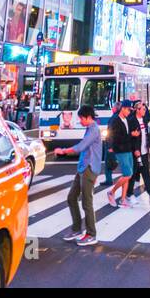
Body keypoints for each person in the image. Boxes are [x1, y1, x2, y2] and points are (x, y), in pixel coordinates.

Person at [55, 105, 102, 246]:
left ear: (88, 117)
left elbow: (81, 147)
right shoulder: (90, 129)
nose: (80, 121)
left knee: (87, 203)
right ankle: (77, 229)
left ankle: (91, 234)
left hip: (89, 169)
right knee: (71, 198)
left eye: (81, 118)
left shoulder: (94, 129)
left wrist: (63, 151)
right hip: (83, 168)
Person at [126, 101, 150, 205]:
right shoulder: (131, 121)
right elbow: (130, 136)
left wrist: (147, 146)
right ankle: (129, 194)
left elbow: (146, 134)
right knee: (133, 173)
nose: (145, 111)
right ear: (137, 110)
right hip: (135, 152)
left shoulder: (144, 120)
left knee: (146, 173)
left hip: (144, 151)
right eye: (143, 109)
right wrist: (135, 149)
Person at [106, 101, 137, 209]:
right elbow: (115, 136)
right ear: (123, 108)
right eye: (128, 110)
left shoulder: (127, 119)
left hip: (128, 149)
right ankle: (111, 192)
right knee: (128, 174)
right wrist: (131, 135)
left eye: (130, 110)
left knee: (127, 175)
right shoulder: (115, 120)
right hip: (120, 150)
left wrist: (132, 135)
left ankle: (123, 199)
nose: (129, 112)